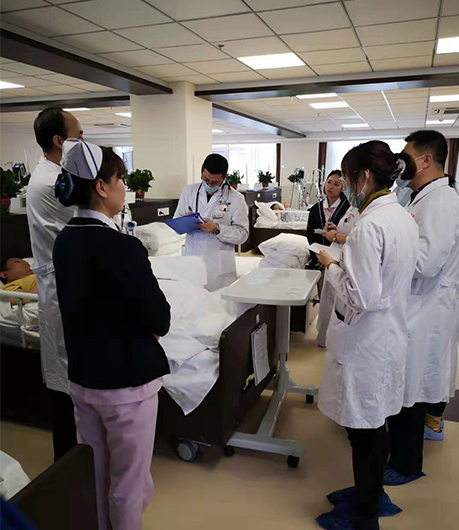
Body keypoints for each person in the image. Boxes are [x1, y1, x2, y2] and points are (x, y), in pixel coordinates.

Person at [53, 139, 171, 530]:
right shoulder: (122, 246)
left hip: (84, 379)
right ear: (102, 187)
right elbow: (159, 317)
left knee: (97, 476)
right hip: (126, 385)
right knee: (128, 485)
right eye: (120, 178)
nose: (125, 186)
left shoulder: (65, 240)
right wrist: (150, 329)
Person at [316, 141, 419, 530]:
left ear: (363, 176)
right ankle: (370, 495)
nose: (345, 185)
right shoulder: (401, 215)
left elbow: (360, 297)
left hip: (366, 342)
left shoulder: (368, 227)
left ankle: (364, 516)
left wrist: (332, 265)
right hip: (387, 336)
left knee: (364, 434)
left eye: (346, 177)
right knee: (375, 427)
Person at [385, 131, 459, 485]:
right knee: (407, 385)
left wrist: (384, 254)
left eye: (406, 156)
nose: (401, 164)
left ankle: (406, 466)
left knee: (410, 387)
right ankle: (403, 454)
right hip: (417, 304)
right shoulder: (420, 196)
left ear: (426, 160)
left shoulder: (441, 201)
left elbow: (426, 262)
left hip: (427, 307)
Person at [27, 107, 83, 461]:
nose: (84, 141)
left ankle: (76, 457)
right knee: (66, 382)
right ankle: (67, 464)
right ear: (60, 141)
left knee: (70, 376)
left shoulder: (58, 176)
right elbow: (89, 221)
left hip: (66, 281)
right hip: (61, 285)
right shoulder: (53, 183)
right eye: (79, 135)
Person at [174, 154, 249, 291]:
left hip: (219, 267)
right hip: (192, 260)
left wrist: (217, 228)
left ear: (225, 177)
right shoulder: (189, 191)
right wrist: (186, 220)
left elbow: (242, 234)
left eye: (214, 182)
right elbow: (176, 222)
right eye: (205, 179)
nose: (209, 184)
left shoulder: (236, 199)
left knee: (218, 301)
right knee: (192, 299)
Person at [315, 206, 359, 348]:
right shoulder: (352, 206)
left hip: (344, 263)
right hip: (335, 258)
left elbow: (358, 239)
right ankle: (324, 338)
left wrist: (335, 236)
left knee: (337, 303)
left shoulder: (369, 214)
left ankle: (329, 340)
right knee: (328, 302)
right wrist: (336, 230)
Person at [306, 170, 350, 268]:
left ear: (342, 188)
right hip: (317, 258)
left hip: (339, 260)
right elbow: (310, 234)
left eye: (336, 184)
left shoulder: (347, 208)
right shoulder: (315, 209)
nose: (330, 186)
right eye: (329, 182)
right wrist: (318, 255)